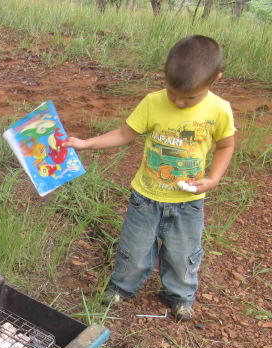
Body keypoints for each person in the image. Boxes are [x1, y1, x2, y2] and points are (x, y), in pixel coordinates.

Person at [63, 35, 235, 321]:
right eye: (171, 93)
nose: (179, 102)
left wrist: (213, 178)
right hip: (146, 198)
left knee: (183, 254)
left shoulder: (219, 110)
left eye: (189, 98)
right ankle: (122, 287)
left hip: (188, 202)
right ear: (164, 78)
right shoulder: (152, 103)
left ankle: (179, 296)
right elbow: (124, 134)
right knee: (134, 247)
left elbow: (226, 146)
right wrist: (86, 143)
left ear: (215, 79)